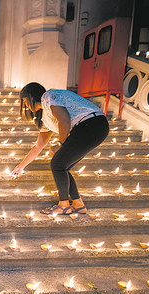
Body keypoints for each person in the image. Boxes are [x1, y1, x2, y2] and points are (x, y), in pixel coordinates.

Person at [11, 82, 109, 215]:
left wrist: (60, 144)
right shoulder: (46, 117)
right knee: (62, 166)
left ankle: (63, 205)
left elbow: (64, 120)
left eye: (25, 101)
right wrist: (21, 166)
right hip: (93, 127)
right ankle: (78, 204)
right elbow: (38, 146)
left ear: (31, 95)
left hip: (91, 124)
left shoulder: (48, 96)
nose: (26, 105)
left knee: (57, 164)